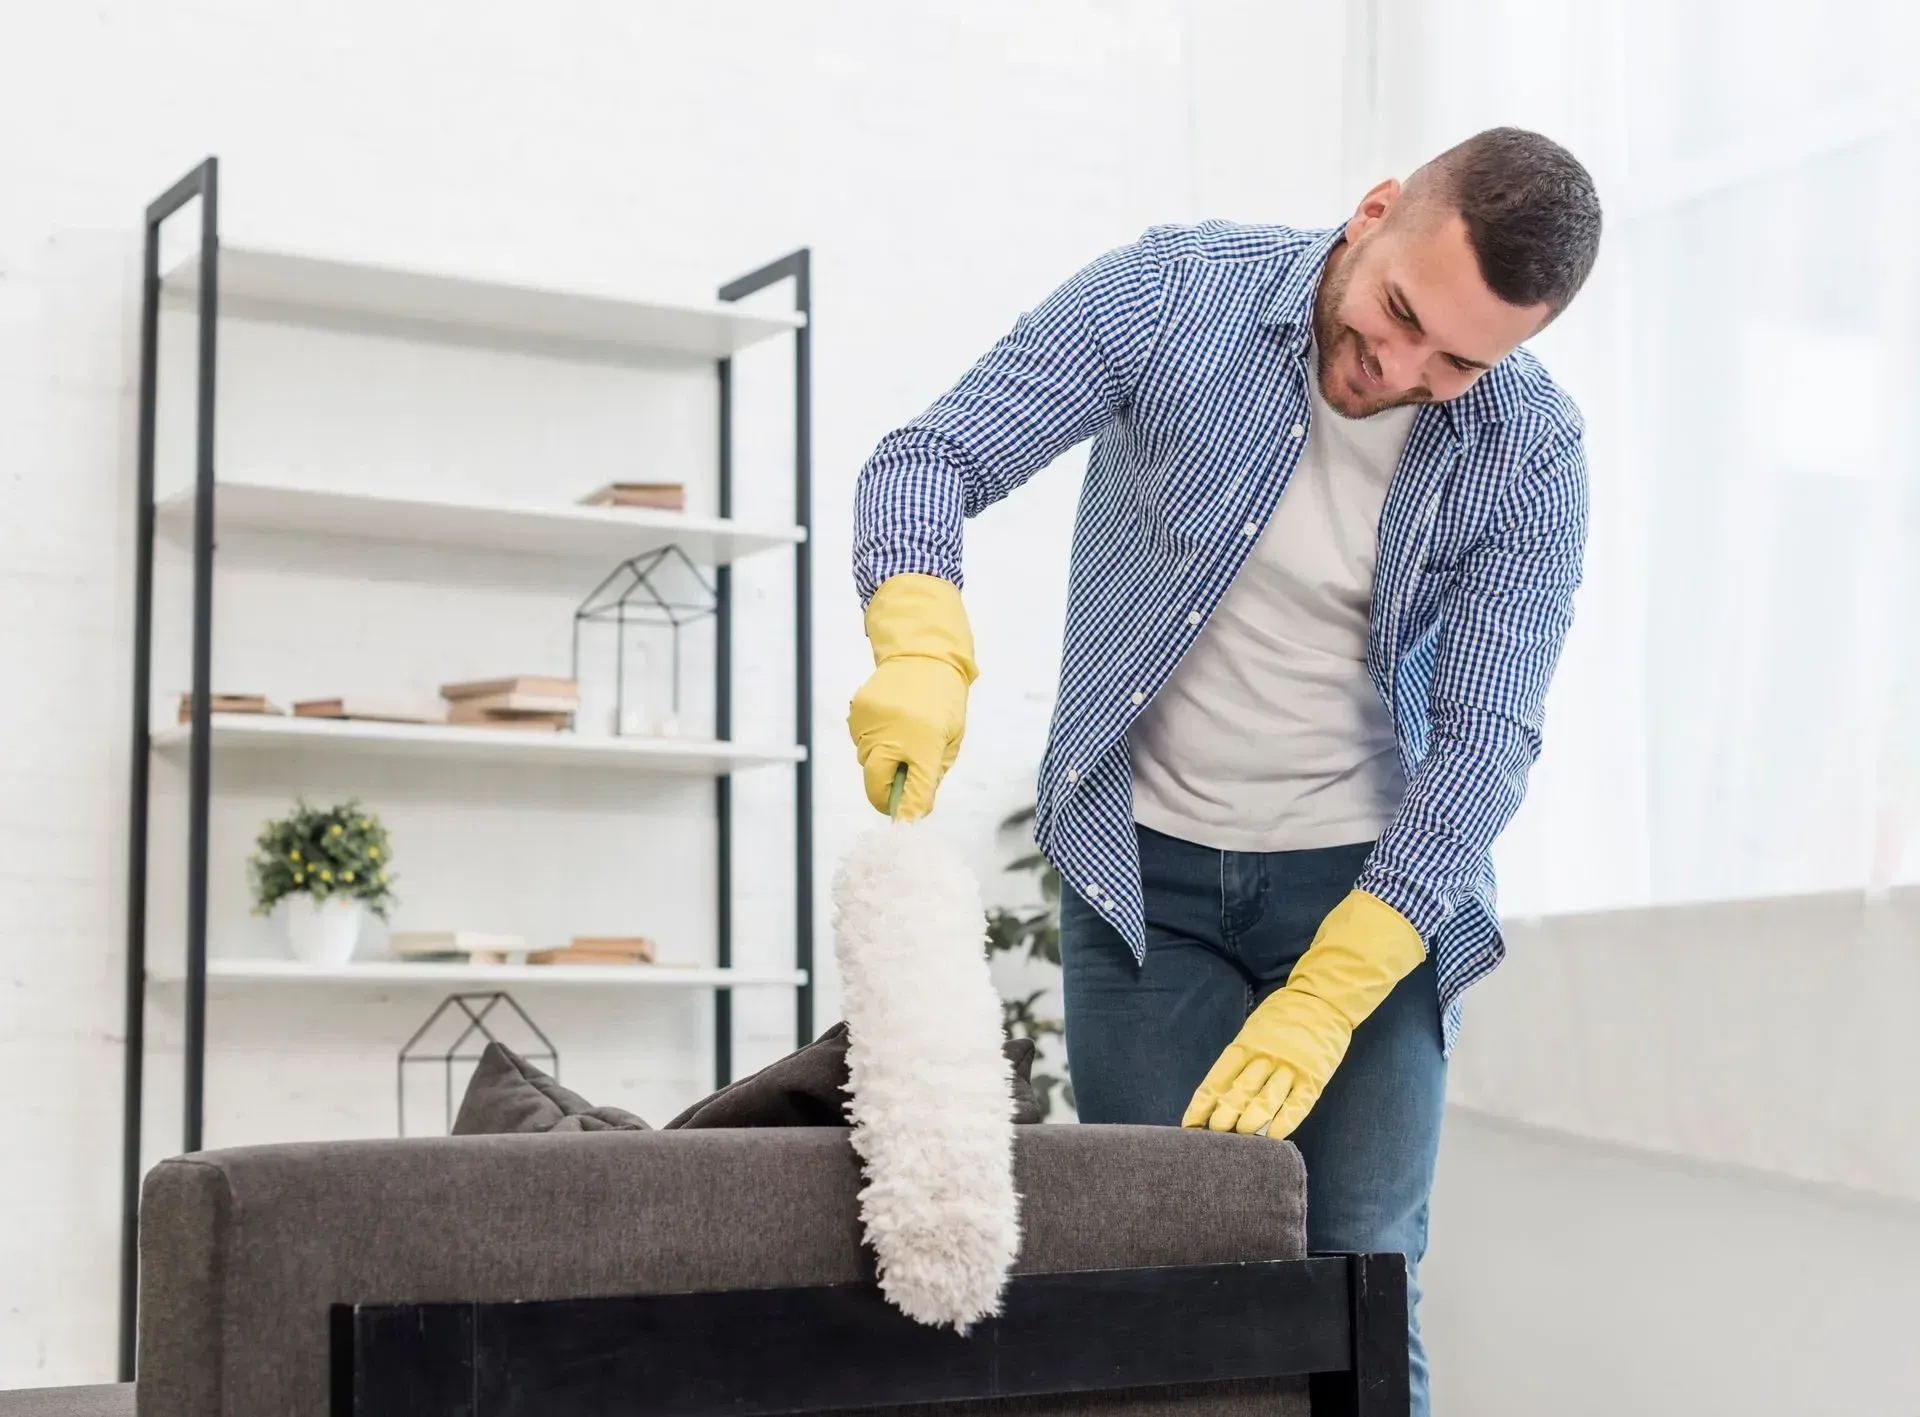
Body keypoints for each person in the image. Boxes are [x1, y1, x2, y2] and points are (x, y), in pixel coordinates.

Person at [847, 126, 1601, 1415]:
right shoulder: (1174, 297)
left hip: (1367, 894)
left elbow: (1484, 738)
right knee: (1175, 1286)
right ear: (1371, 213)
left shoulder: (1528, 451)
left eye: (1459, 360)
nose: (1401, 369)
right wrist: (920, 640)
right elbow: (933, 460)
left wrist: (1336, 988)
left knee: (1365, 1279)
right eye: (1401, 313)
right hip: (1144, 885)